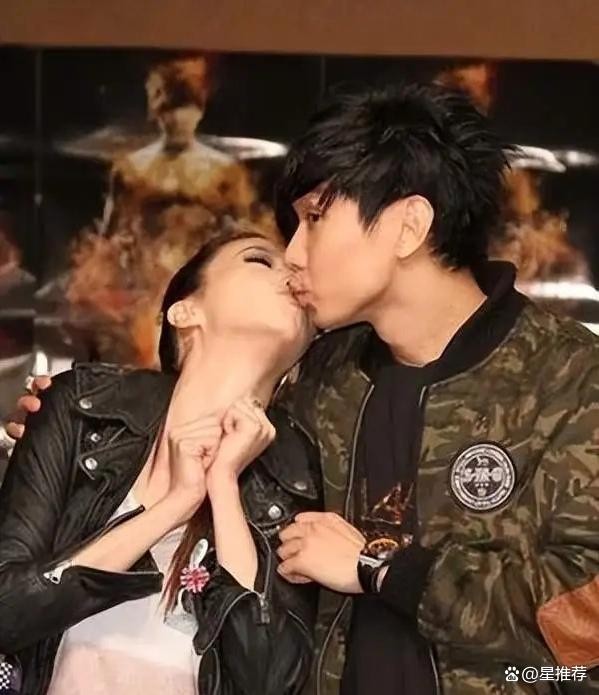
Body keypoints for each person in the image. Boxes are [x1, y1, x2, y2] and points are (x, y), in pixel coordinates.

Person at [9, 82, 599, 695]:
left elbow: (586, 631)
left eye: (315, 219)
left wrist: (379, 568)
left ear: (409, 226)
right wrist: (73, 421)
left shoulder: (570, 376)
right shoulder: (321, 379)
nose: (293, 254)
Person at [0, 223, 319, 695]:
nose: (290, 271)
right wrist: (174, 505)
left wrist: (223, 487)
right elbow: (8, 611)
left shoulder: (299, 472)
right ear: (185, 312)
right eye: (260, 260)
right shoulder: (83, 408)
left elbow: (269, 680)